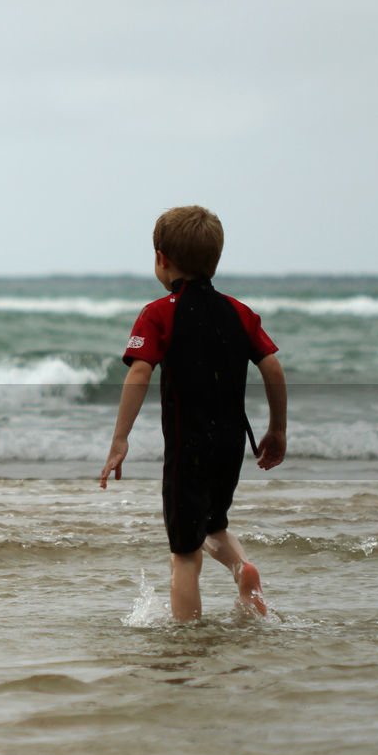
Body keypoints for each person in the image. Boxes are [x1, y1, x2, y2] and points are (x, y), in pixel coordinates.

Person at [99, 205, 287, 621]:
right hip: (230, 445)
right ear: (214, 260)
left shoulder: (158, 313)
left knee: (183, 553)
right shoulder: (239, 312)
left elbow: (140, 373)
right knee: (212, 523)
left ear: (161, 259)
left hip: (188, 449)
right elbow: (272, 365)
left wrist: (120, 438)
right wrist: (277, 430)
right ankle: (242, 567)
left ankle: (187, 639)